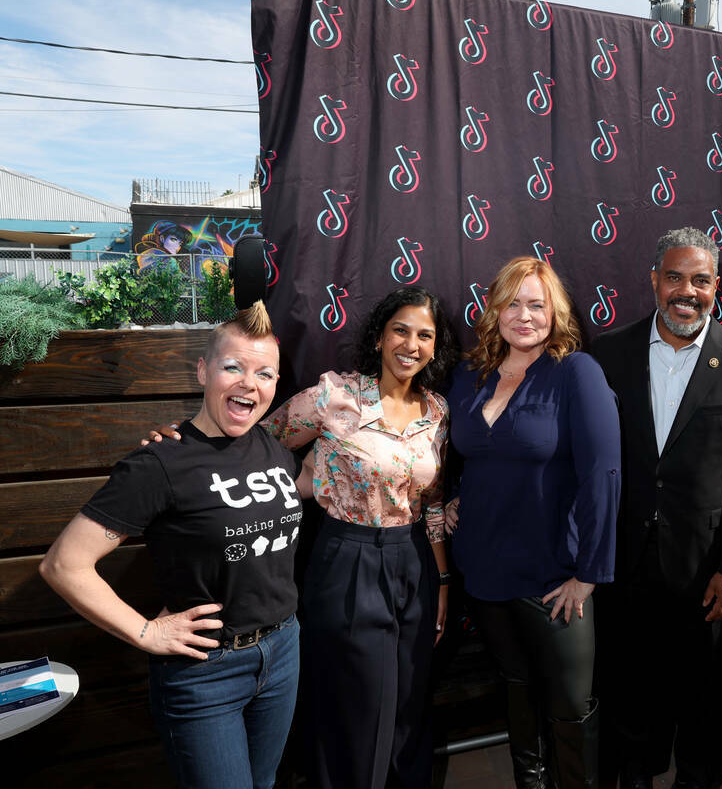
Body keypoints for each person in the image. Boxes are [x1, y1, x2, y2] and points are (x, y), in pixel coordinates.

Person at [40, 302, 309, 789]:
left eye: (265, 374)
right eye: (234, 367)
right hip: (206, 671)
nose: (250, 384)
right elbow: (64, 564)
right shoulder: (158, 463)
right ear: (203, 370)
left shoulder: (273, 446)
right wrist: (145, 633)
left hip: (283, 649)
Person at [589, 227, 722, 789]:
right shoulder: (605, 354)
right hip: (624, 564)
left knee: (706, 697)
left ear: (716, 287)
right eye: (674, 277)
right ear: (654, 280)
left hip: (708, 569)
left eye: (700, 280)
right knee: (628, 691)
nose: (686, 291)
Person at [262, 286, 459, 789]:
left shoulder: (437, 411)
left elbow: (432, 501)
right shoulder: (336, 395)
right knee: (356, 704)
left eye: (424, 335)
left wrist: (440, 580)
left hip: (413, 560)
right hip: (345, 558)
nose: (411, 344)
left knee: (410, 702)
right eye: (401, 329)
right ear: (379, 336)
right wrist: (188, 440)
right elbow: (262, 441)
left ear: (435, 347)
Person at [444, 256, 621, 789]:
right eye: (513, 303)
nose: (524, 315)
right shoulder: (467, 376)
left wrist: (588, 573)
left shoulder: (576, 373)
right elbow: (455, 452)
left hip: (554, 577)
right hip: (483, 568)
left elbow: (603, 475)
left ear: (555, 313)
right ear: (495, 310)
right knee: (516, 686)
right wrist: (452, 496)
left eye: (537, 304)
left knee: (570, 706)